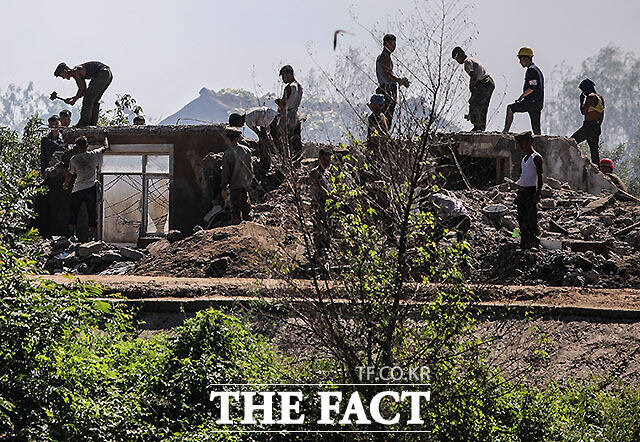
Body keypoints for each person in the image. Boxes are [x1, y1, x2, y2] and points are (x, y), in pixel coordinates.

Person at [64, 135, 110, 240]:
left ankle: (72, 236)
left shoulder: (74, 159)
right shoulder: (94, 154)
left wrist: (66, 184)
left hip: (77, 189)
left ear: (76, 147)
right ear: (87, 146)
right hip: (90, 188)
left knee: (73, 212)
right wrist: (106, 136)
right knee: (91, 213)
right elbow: (105, 147)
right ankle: (92, 237)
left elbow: (70, 174)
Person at [54, 61, 113, 127]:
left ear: (65, 71)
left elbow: (82, 89)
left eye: (61, 75)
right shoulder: (76, 72)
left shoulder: (75, 72)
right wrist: (73, 98)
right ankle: (92, 123)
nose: (63, 78)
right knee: (94, 99)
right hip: (108, 74)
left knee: (88, 99)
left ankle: (84, 123)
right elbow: (84, 91)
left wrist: (74, 100)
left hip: (102, 73)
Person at [452, 47, 495, 132]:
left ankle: (477, 126)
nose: (457, 61)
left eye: (456, 58)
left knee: (474, 102)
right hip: (489, 82)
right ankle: (481, 127)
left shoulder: (467, 62)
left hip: (483, 82)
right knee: (483, 106)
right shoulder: (471, 59)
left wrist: (471, 87)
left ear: (460, 54)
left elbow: (473, 76)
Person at [503, 47, 544, 135]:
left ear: (525, 58)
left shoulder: (532, 70)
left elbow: (532, 87)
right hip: (538, 103)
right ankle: (539, 141)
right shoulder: (536, 69)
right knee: (536, 129)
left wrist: (521, 97)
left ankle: (505, 132)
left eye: (520, 59)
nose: (520, 62)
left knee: (510, 108)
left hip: (531, 102)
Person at [514, 131, 543, 250]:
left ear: (530, 142)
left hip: (530, 191)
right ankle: (524, 242)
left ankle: (533, 243)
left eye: (524, 142)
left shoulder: (536, 157)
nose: (522, 145)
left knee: (531, 218)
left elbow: (540, 177)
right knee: (521, 218)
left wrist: (538, 193)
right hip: (522, 191)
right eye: (520, 143)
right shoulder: (524, 158)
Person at [229, 107, 278, 173]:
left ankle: (268, 163)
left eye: (238, 125)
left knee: (274, 142)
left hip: (271, 119)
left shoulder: (248, 121)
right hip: (272, 114)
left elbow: (259, 134)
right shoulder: (248, 112)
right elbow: (262, 128)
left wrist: (262, 144)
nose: (240, 127)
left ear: (238, 121)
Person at [376, 34, 410, 127]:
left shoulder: (386, 56)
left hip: (387, 87)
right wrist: (400, 80)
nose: (393, 46)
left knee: (387, 115)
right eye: (391, 43)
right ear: (384, 44)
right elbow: (388, 75)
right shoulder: (384, 57)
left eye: (394, 43)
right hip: (387, 89)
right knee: (387, 114)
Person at [221, 128, 254, 224]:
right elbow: (250, 168)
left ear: (229, 139)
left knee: (235, 208)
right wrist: (249, 181)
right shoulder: (246, 150)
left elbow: (225, 172)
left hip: (234, 185)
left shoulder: (227, 154)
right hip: (245, 184)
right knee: (246, 205)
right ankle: (249, 225)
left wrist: (223, 187)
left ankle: (237, 227)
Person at [571, 79, 605, 165]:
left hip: (588, 126)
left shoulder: (590, 97)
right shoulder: (600, 98)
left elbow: (583, 112)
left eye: (583, 90)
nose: (583, 93)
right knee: (594, 151)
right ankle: (597, 169)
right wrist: (598, 127)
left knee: (571, 142)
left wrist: (581, 101)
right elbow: (601, 114)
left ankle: (573, 162)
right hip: (596, 126)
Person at [275, 65, 303, 156]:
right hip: (296, 114)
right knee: (295, 138)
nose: (283, 79)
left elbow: (283, 104)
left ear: (288, 75)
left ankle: (284, 157)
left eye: (283, 76)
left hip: (287, 114)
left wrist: (278, 102)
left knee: (283, 138)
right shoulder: (299, 87)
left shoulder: (289, 87)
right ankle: (296, 158)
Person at [309, 149, 333, 255]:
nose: (326, 162)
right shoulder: (314, 172)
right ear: (319, 159)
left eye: (328, 159)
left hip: (328, 207)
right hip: (318, 205)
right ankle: (319, 253)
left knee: (328, 230)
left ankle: (326, 251)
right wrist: (331, 196)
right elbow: (318, 187)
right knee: (319, 230)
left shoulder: (329, 174)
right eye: (324, 159)